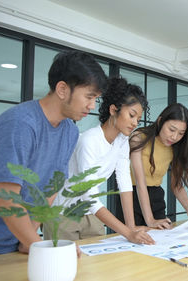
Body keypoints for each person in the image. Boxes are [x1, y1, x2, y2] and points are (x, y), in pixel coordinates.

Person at [0, 50, 107, 263]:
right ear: (62, 89)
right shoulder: (20, 124)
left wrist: (29, 238)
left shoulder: (70, 131)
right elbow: (4, 198)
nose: (92, 106)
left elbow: (50, 189)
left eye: (96, 98)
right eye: (89, 96)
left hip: (13, 241)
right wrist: (41, 247)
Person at [43, 77, 154, 245]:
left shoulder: (122, 141)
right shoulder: (89, 141)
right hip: (63, 213)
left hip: (90, 214)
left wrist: (131, 227)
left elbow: (124, 181)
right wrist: (127, 233)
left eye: (138, 119)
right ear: (113, 110)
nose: (134, 123)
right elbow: (90, 195)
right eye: (131, 115)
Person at [117, 103, 188, 229]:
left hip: (156, 198)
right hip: (132, 196)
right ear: (160, 121)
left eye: (181, 133)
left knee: (161, 241)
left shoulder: (174, 148)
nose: (174, 137)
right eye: (172, 130)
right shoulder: (139, 138)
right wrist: (150, 220)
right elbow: (141, 183)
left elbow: (176, 184)